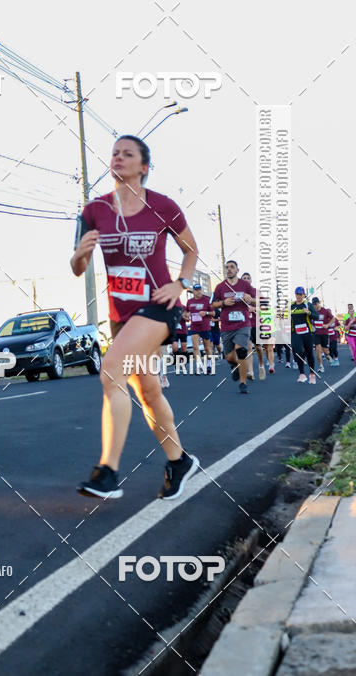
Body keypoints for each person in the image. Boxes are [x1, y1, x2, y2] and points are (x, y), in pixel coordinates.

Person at [71, 135, 200, 501]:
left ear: (144, 166)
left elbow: (191, 250)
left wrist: (181, 285)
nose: (119, 158)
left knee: (111, 371)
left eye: (128, 154)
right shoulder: (94, 210)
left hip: (159, 306)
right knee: (148, 391)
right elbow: (78, 266)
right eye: (114, 153)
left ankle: (108, 471)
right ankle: (179, 461)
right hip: (121, 315)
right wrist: (80, 255)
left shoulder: (163, 206)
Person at [212, 261, 255, 395]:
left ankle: (243, 383)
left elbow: (260, 301)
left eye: (232, 267)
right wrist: (223, 303)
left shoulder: (245, 285)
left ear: (237, 270)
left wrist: (251, 299)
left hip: (243, 324)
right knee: (229, 357)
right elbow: (213, 304)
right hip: (226, 326)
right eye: (227, 268)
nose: (229, 270)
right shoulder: (220, 287)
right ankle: (236, 366)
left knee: (241, 350)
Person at [291, 287, 317, 384]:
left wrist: (309, 312)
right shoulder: (291, 305)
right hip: (296, 333)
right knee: (298, 352)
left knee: (309, 353)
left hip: (307, 333)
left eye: (300, 294)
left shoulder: (307, 304)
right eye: (297, 294)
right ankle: (302, 374)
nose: (298, 296)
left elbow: (316, 316)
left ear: (303, 295)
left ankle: (312, 374)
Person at [186, 284, 214, 374]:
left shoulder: (206, 301)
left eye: (199, 290)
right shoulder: (189, 301)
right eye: (196, 290)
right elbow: (187, 312)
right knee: (195, 347)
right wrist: (187, 316)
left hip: (205, 327)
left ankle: (209, 364)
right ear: (193, 291)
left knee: (207, 348)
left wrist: (205, 312)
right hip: (194, 326)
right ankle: (199, 366)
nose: (198, 291)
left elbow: (213, 313)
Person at [311, 297, 334, 373]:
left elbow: (333, 318)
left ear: (319, 303)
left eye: (316, 304)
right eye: (313, 304)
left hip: (324, 333)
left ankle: (328, 355)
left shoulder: (325, 311)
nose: (315, 306)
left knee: (325, 350)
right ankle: (321, 366)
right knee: (318, 348)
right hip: (316, 333)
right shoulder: (312, 311)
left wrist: (328, 325)